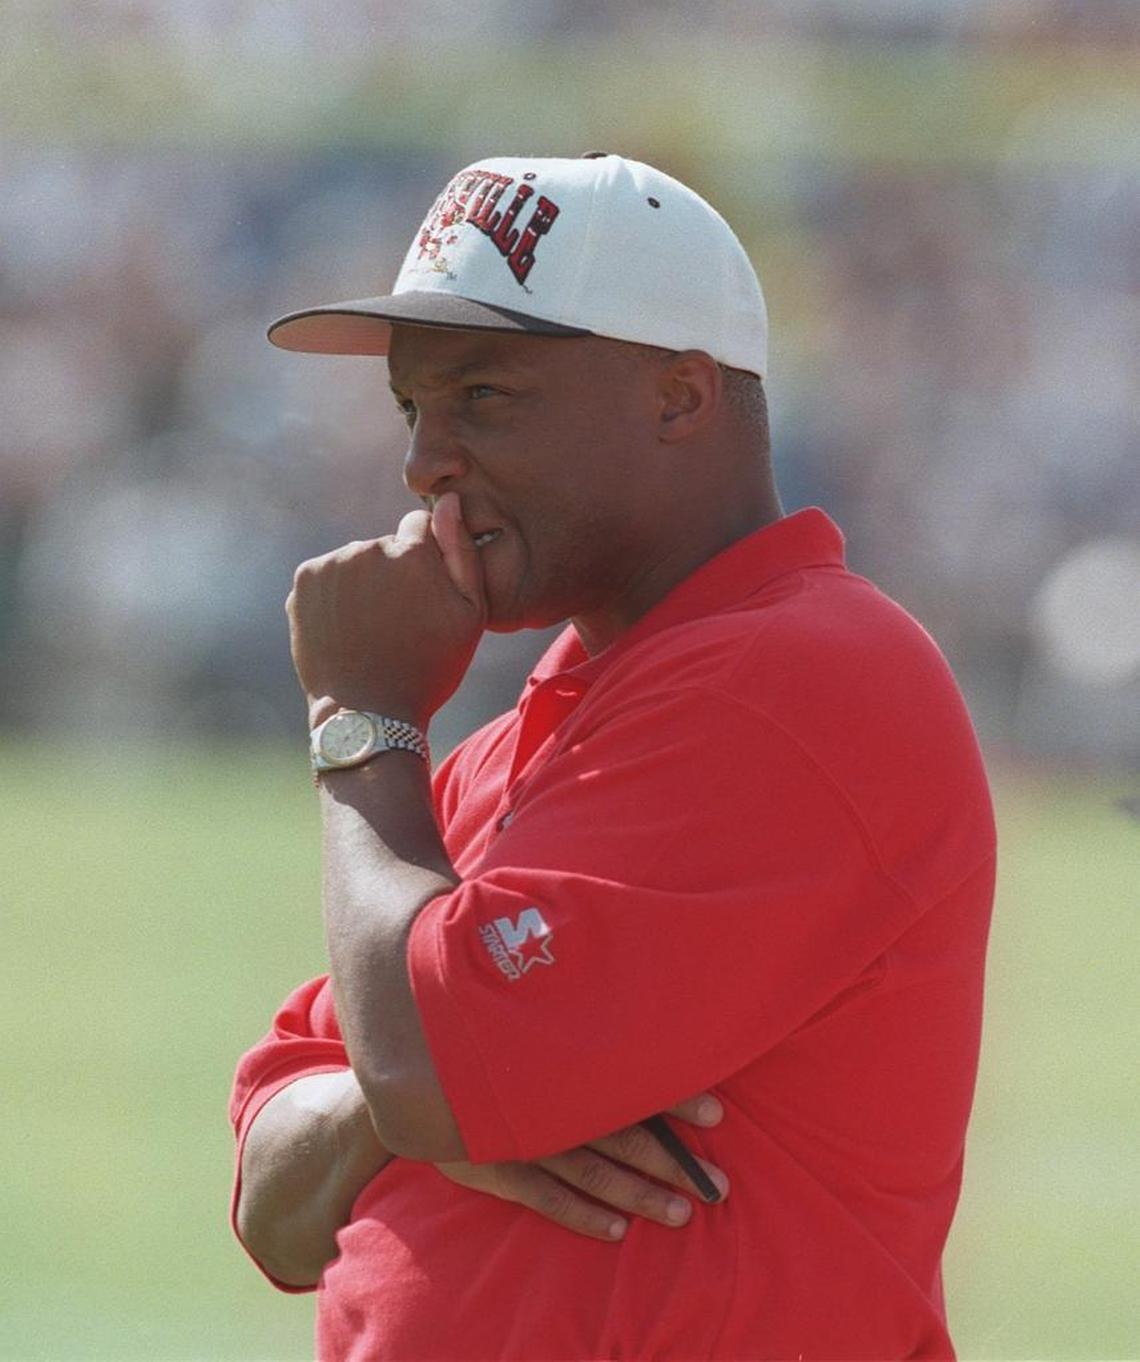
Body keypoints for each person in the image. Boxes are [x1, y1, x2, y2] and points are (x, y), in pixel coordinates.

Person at [229, 152, 996, 1360]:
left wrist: (361, 715)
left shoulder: (801, 673)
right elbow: (271, 1207)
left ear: (679, 396)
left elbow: (418, 1072)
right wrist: (416, 1100)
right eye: (413, 408)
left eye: (484, 396)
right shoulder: (514, 744)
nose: (425, 463)